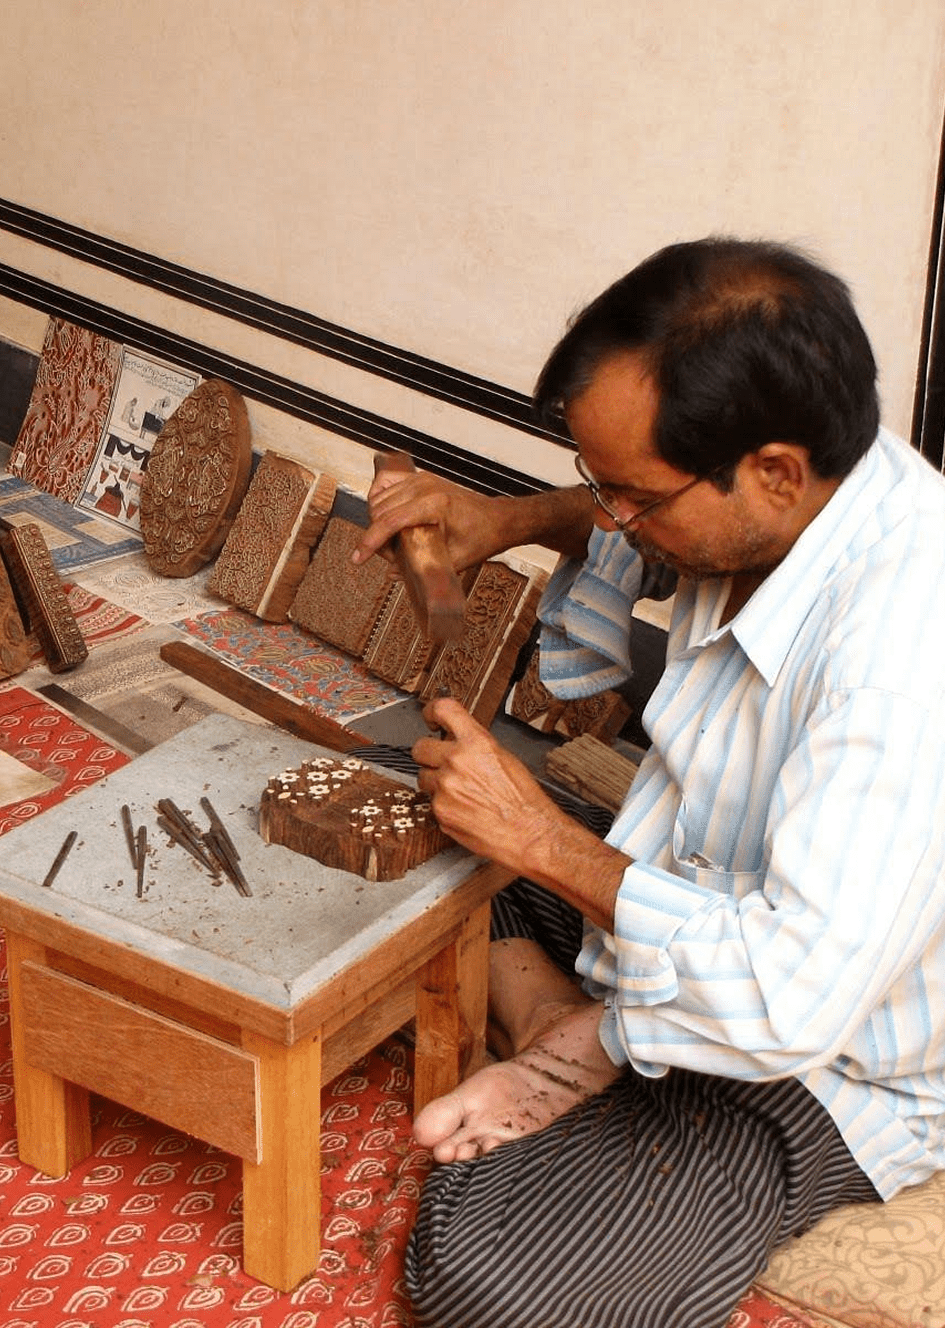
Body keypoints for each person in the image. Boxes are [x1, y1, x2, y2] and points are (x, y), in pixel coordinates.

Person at [354, 238, 945, 1327]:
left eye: (630, 497)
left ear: (771, 469)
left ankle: (583, 1051)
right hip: (685, 895)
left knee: (488, 1281)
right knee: (388, 797)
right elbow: (634, 512)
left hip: (817, 1053)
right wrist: (504, 519)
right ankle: (556, 1024)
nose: (614, 519)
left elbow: (787, 1000)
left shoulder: (903, 666)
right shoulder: (799, 489)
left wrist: (543, 844)